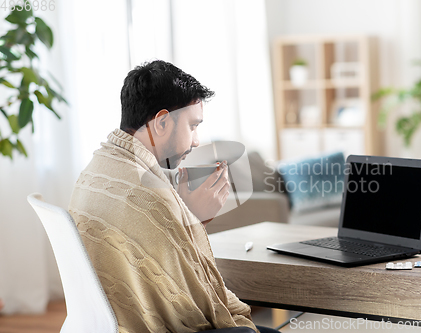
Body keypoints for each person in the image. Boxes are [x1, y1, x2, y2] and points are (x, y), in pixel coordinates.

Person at [69, 60, 280, 333]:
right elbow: (200, 309)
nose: (195, 141)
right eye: (192, 126)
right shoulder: (151, 197)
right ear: (162, 122)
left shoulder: (96, 169)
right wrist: (192, 219)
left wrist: (185, 218)